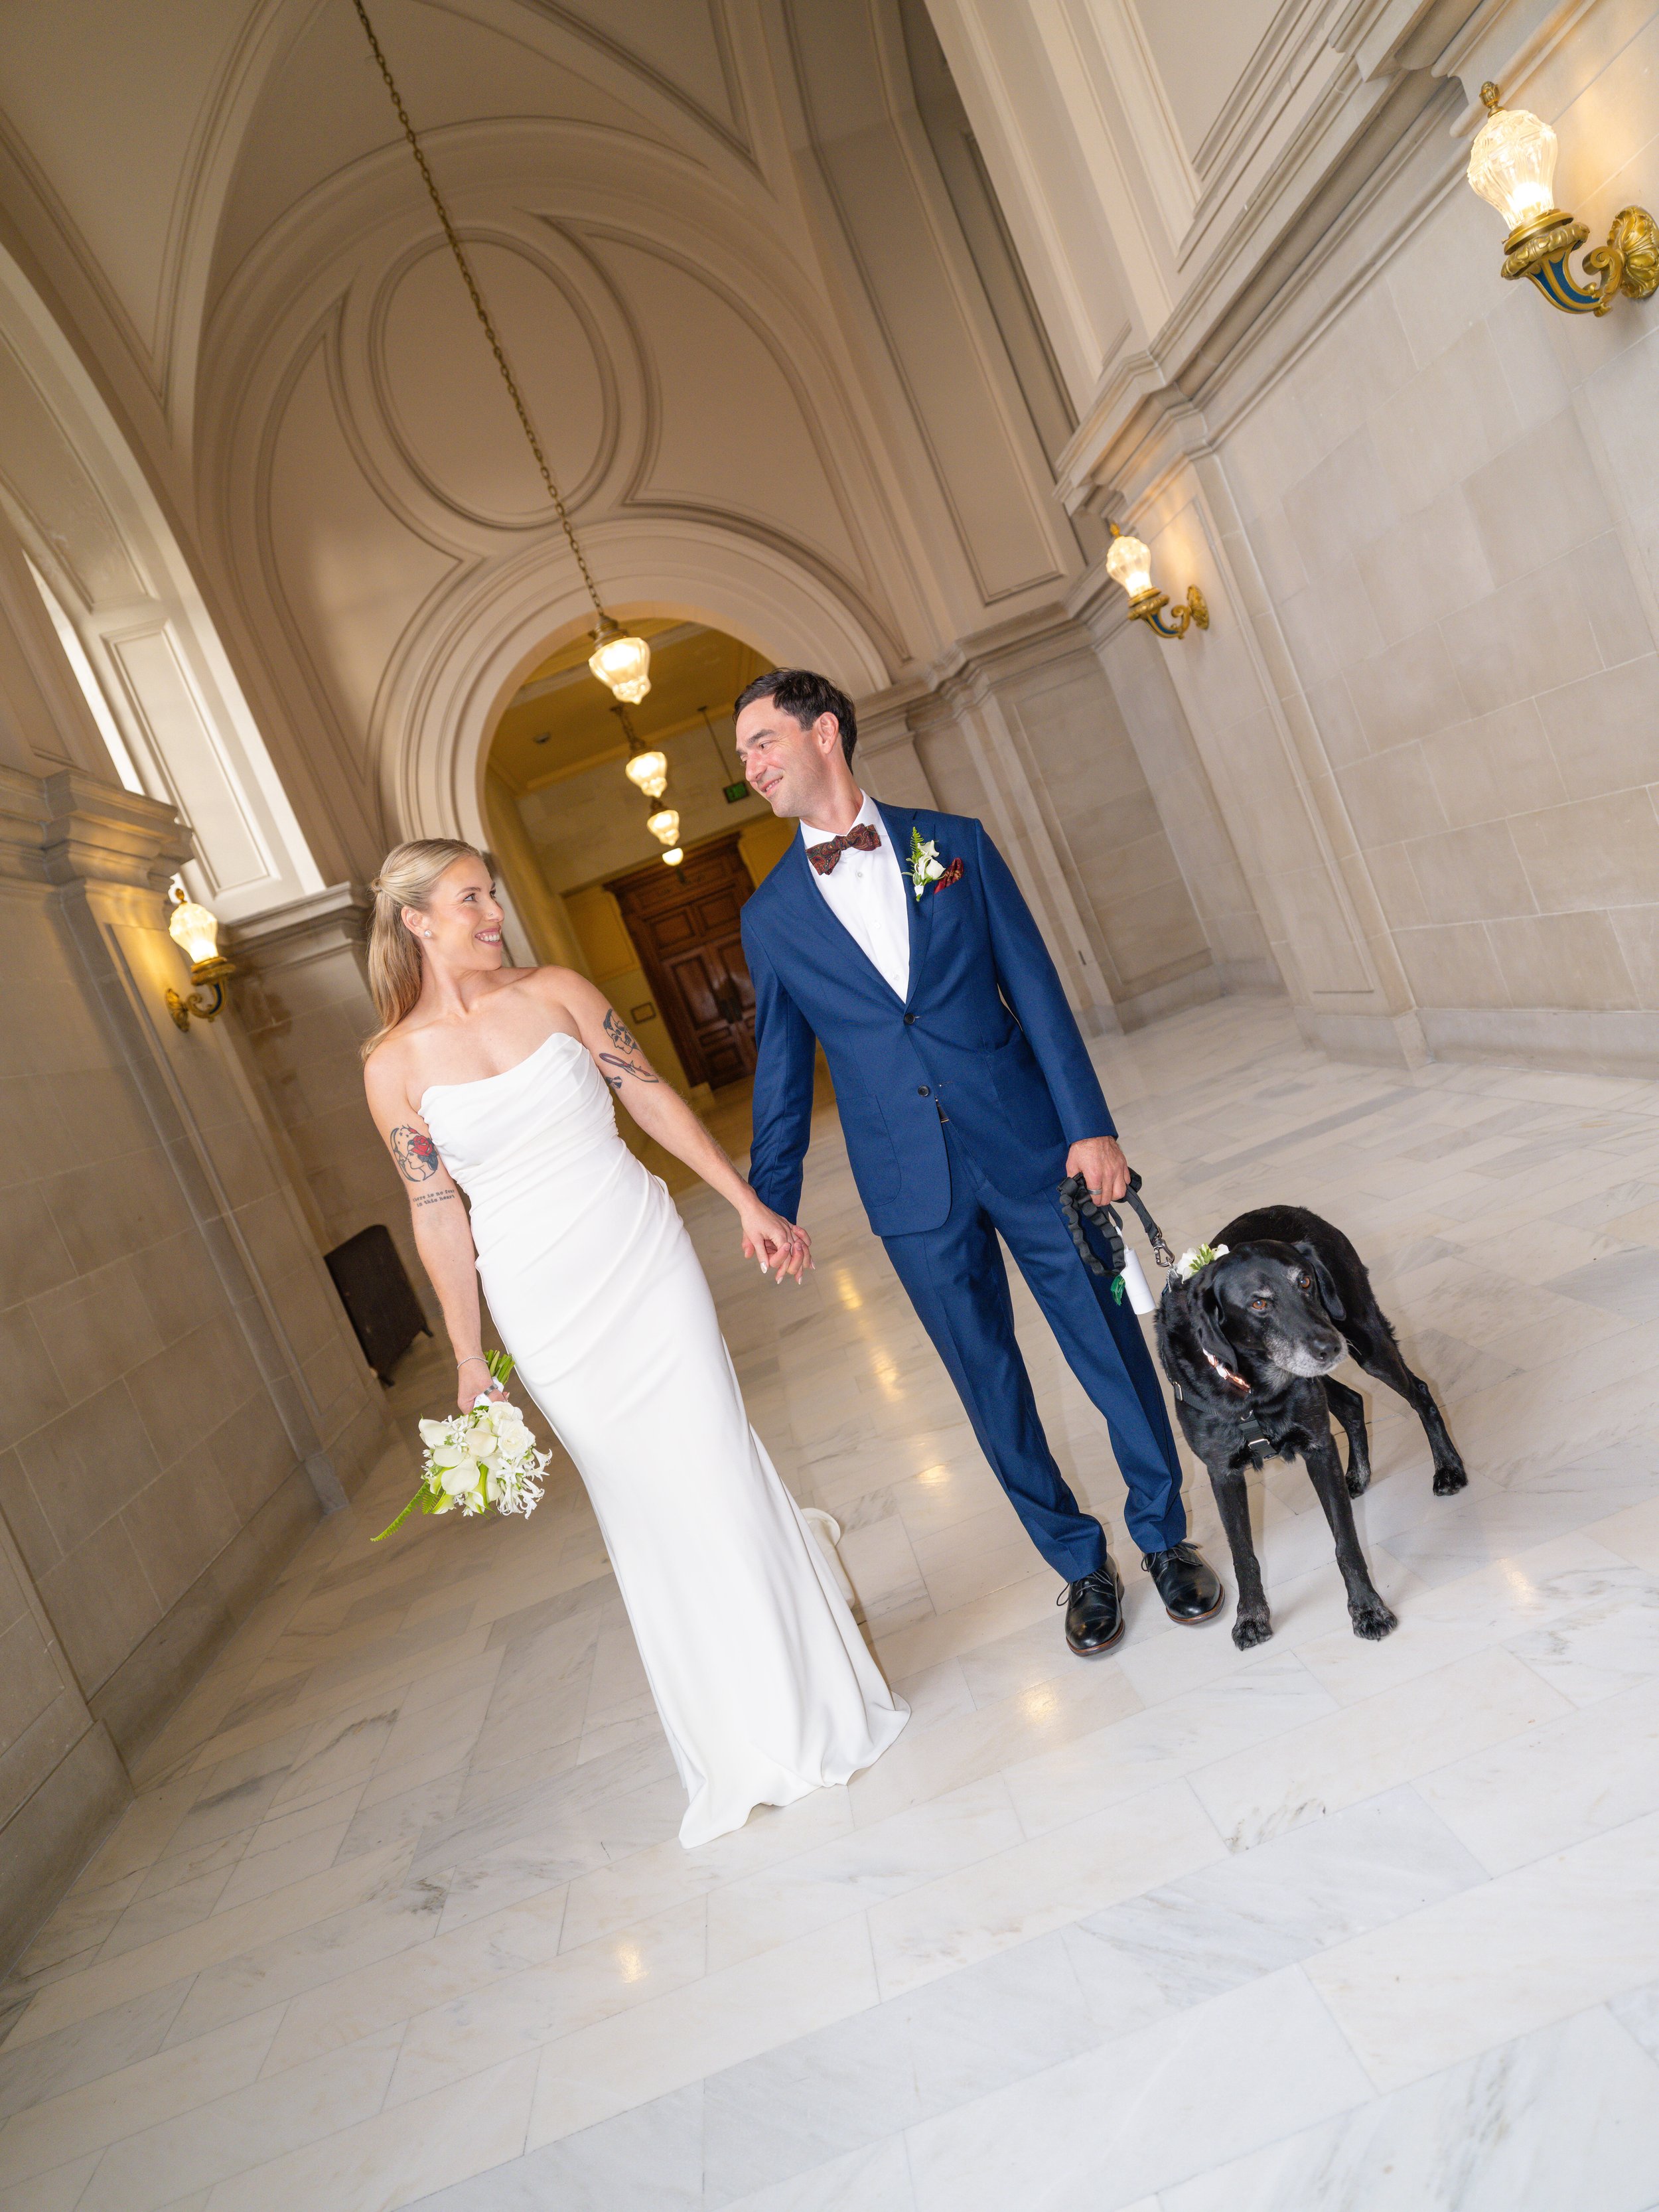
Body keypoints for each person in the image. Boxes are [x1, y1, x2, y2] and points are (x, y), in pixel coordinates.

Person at [360, 838, 906, 1848]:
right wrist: (471, 1361)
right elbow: (436, 1212)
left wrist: (747, 1201)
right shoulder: (392, 1067)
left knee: (714, 1464)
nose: (493, 912)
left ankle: (811, 1703)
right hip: (544, 1301)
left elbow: (647, 1091)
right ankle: (734, 1732)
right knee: (647, 1504)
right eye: (471, 898)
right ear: (417, 922)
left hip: (642, 1258)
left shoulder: (558, 989)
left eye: (494, 891)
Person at [735, 670, 1223, 1656]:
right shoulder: (772, 913)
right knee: (988, 1385)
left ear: (825, 732)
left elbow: (1036, 991)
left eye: (761, 743)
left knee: (1109, 1349)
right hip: (910, 1188)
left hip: (1033, 1146)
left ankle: (1165, 1537)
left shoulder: (950, 846)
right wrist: (771, 1201)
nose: (749, 768)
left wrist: (1091, 1126)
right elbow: (782, 1072)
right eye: (742, 756)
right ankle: (1080, 1567)